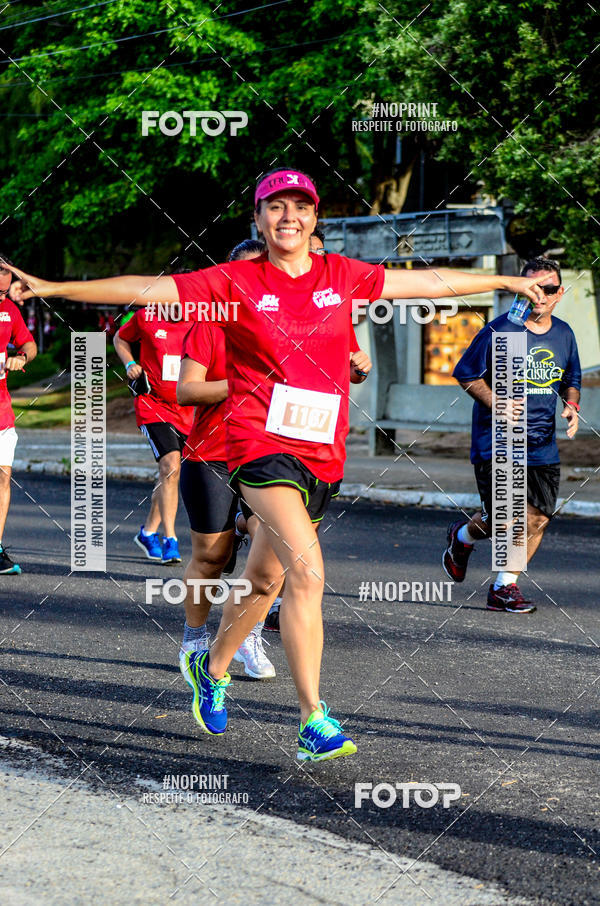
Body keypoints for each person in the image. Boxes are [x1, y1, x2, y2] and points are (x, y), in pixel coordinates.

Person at [4, 167, 545, 760]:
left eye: (301, 208)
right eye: (275, 207)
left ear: (315, 221)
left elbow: (426, 284)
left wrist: (508, 285)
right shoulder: (235, 280)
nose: (289, 216)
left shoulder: (342, 276)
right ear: (258, 220)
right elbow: (144, 289)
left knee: (265, 579)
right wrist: (52, 288)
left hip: (323, 453)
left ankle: (211, 668)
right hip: (259, 448)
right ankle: (313, 719)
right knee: (307, 575)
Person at [442, 256, 581, 613]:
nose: (540, 296)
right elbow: (467, 374)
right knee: (510, 516)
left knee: (536, 518)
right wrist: (497, 403)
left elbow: (571, 380)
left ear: (559, 293)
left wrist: (571, 404)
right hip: (498, 441)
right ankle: (504, 588)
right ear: (522, 288)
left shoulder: (563, 333)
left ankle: (464, 538)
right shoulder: (502, 330)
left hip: (541, 444)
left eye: (548, 289)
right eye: (533, 287)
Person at [177, 239, 275, 680]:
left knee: (275, 550)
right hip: (211, 455)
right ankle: (195, 641)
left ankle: (245, 637)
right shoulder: (208, 326)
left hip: (267, 455)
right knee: (212, 559)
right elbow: (187, 390)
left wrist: (353, 365)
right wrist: (242, 384)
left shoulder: (283, 326)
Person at [114, 306, 194, 564]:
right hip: (153, 406)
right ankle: (170, 539)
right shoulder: (147, 316)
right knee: (170, 467)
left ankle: (148, 532)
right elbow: (120, 337)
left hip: (189, 410)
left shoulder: (201, 321)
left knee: (170, 474)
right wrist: (130, 363)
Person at [0, 255, 37, 574]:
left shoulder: (9, 310)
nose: (6, 283)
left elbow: (29, 343)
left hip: (2, 410)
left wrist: (21, 354)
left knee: (3, 477)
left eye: (9, 276)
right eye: (2, 273)